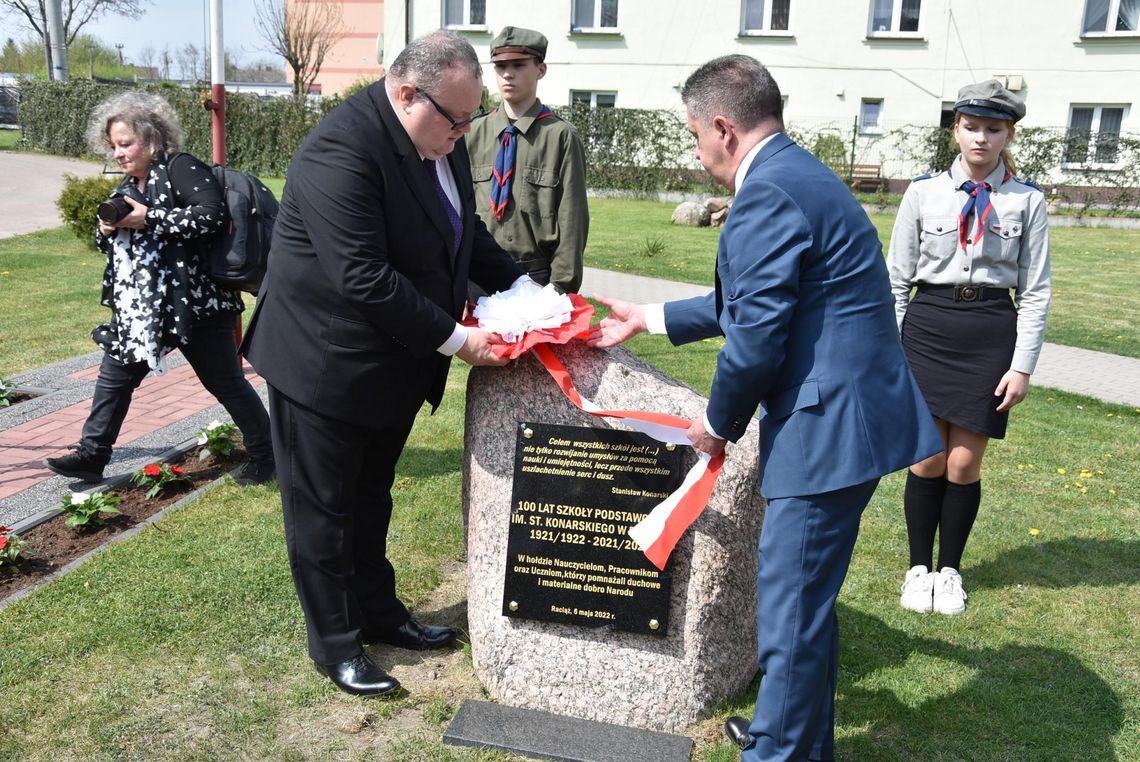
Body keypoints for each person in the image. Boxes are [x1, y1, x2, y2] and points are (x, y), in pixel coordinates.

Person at [587, 55, 942, 761]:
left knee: (787, 617)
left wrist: (716, 427)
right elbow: (762, 296)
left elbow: (755, 342)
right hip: (851, 419)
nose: (695, 154)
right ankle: (801, 742)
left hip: (827, 431)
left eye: (694, 137)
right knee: (805, 610)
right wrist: (650, 316)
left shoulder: (769, 194)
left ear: (723, 126)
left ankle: (775, 751)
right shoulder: (796, 174)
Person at [240, 31, 528, 698]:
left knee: (370, 498)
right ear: (406, 94)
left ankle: (380, 612)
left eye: (471, 119)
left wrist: (532, 294)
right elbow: (362, 277)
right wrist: (459, 343)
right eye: (456, 120)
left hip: (388, 363)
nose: (463, 134)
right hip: (324, 364)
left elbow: (465, 239)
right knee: (323, 511)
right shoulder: (342, 149)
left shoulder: (437, 137)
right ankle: (336, 646)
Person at [43, 91, 274, 487]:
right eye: (113, 146)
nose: (117, 153)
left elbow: (210, 217)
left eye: (125, 144)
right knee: (113, 378)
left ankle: (267, 454)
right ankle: (91, 455)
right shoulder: (129, 184)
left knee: (226, 383)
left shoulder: (181, 168)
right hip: (143, 313)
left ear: (151, 139)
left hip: (197, 306)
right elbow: (111, 245)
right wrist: (106, 229)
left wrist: (148, 218)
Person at [888, 80, 1051, 616]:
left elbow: (1034, 289)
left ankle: (950, 570)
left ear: (1008, 134)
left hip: (988, 331)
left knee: (962, 464)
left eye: (994, 128)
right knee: (927, 458)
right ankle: (918, 570)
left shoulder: (1027, 201)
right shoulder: (923, 193)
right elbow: (895, 281)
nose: (981, 137)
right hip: (929, 326)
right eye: (972, 125)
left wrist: (1022, 366)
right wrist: (891, 351)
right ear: (956, 128)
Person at [466, 26, 589, 294]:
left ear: (540, 70)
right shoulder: (472, 134)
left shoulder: (559, 136)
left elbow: (572, 219)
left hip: (536, 278)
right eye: (500, 66)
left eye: (519, 65)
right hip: (477, 277)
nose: (508, 74)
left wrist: (560, 288)